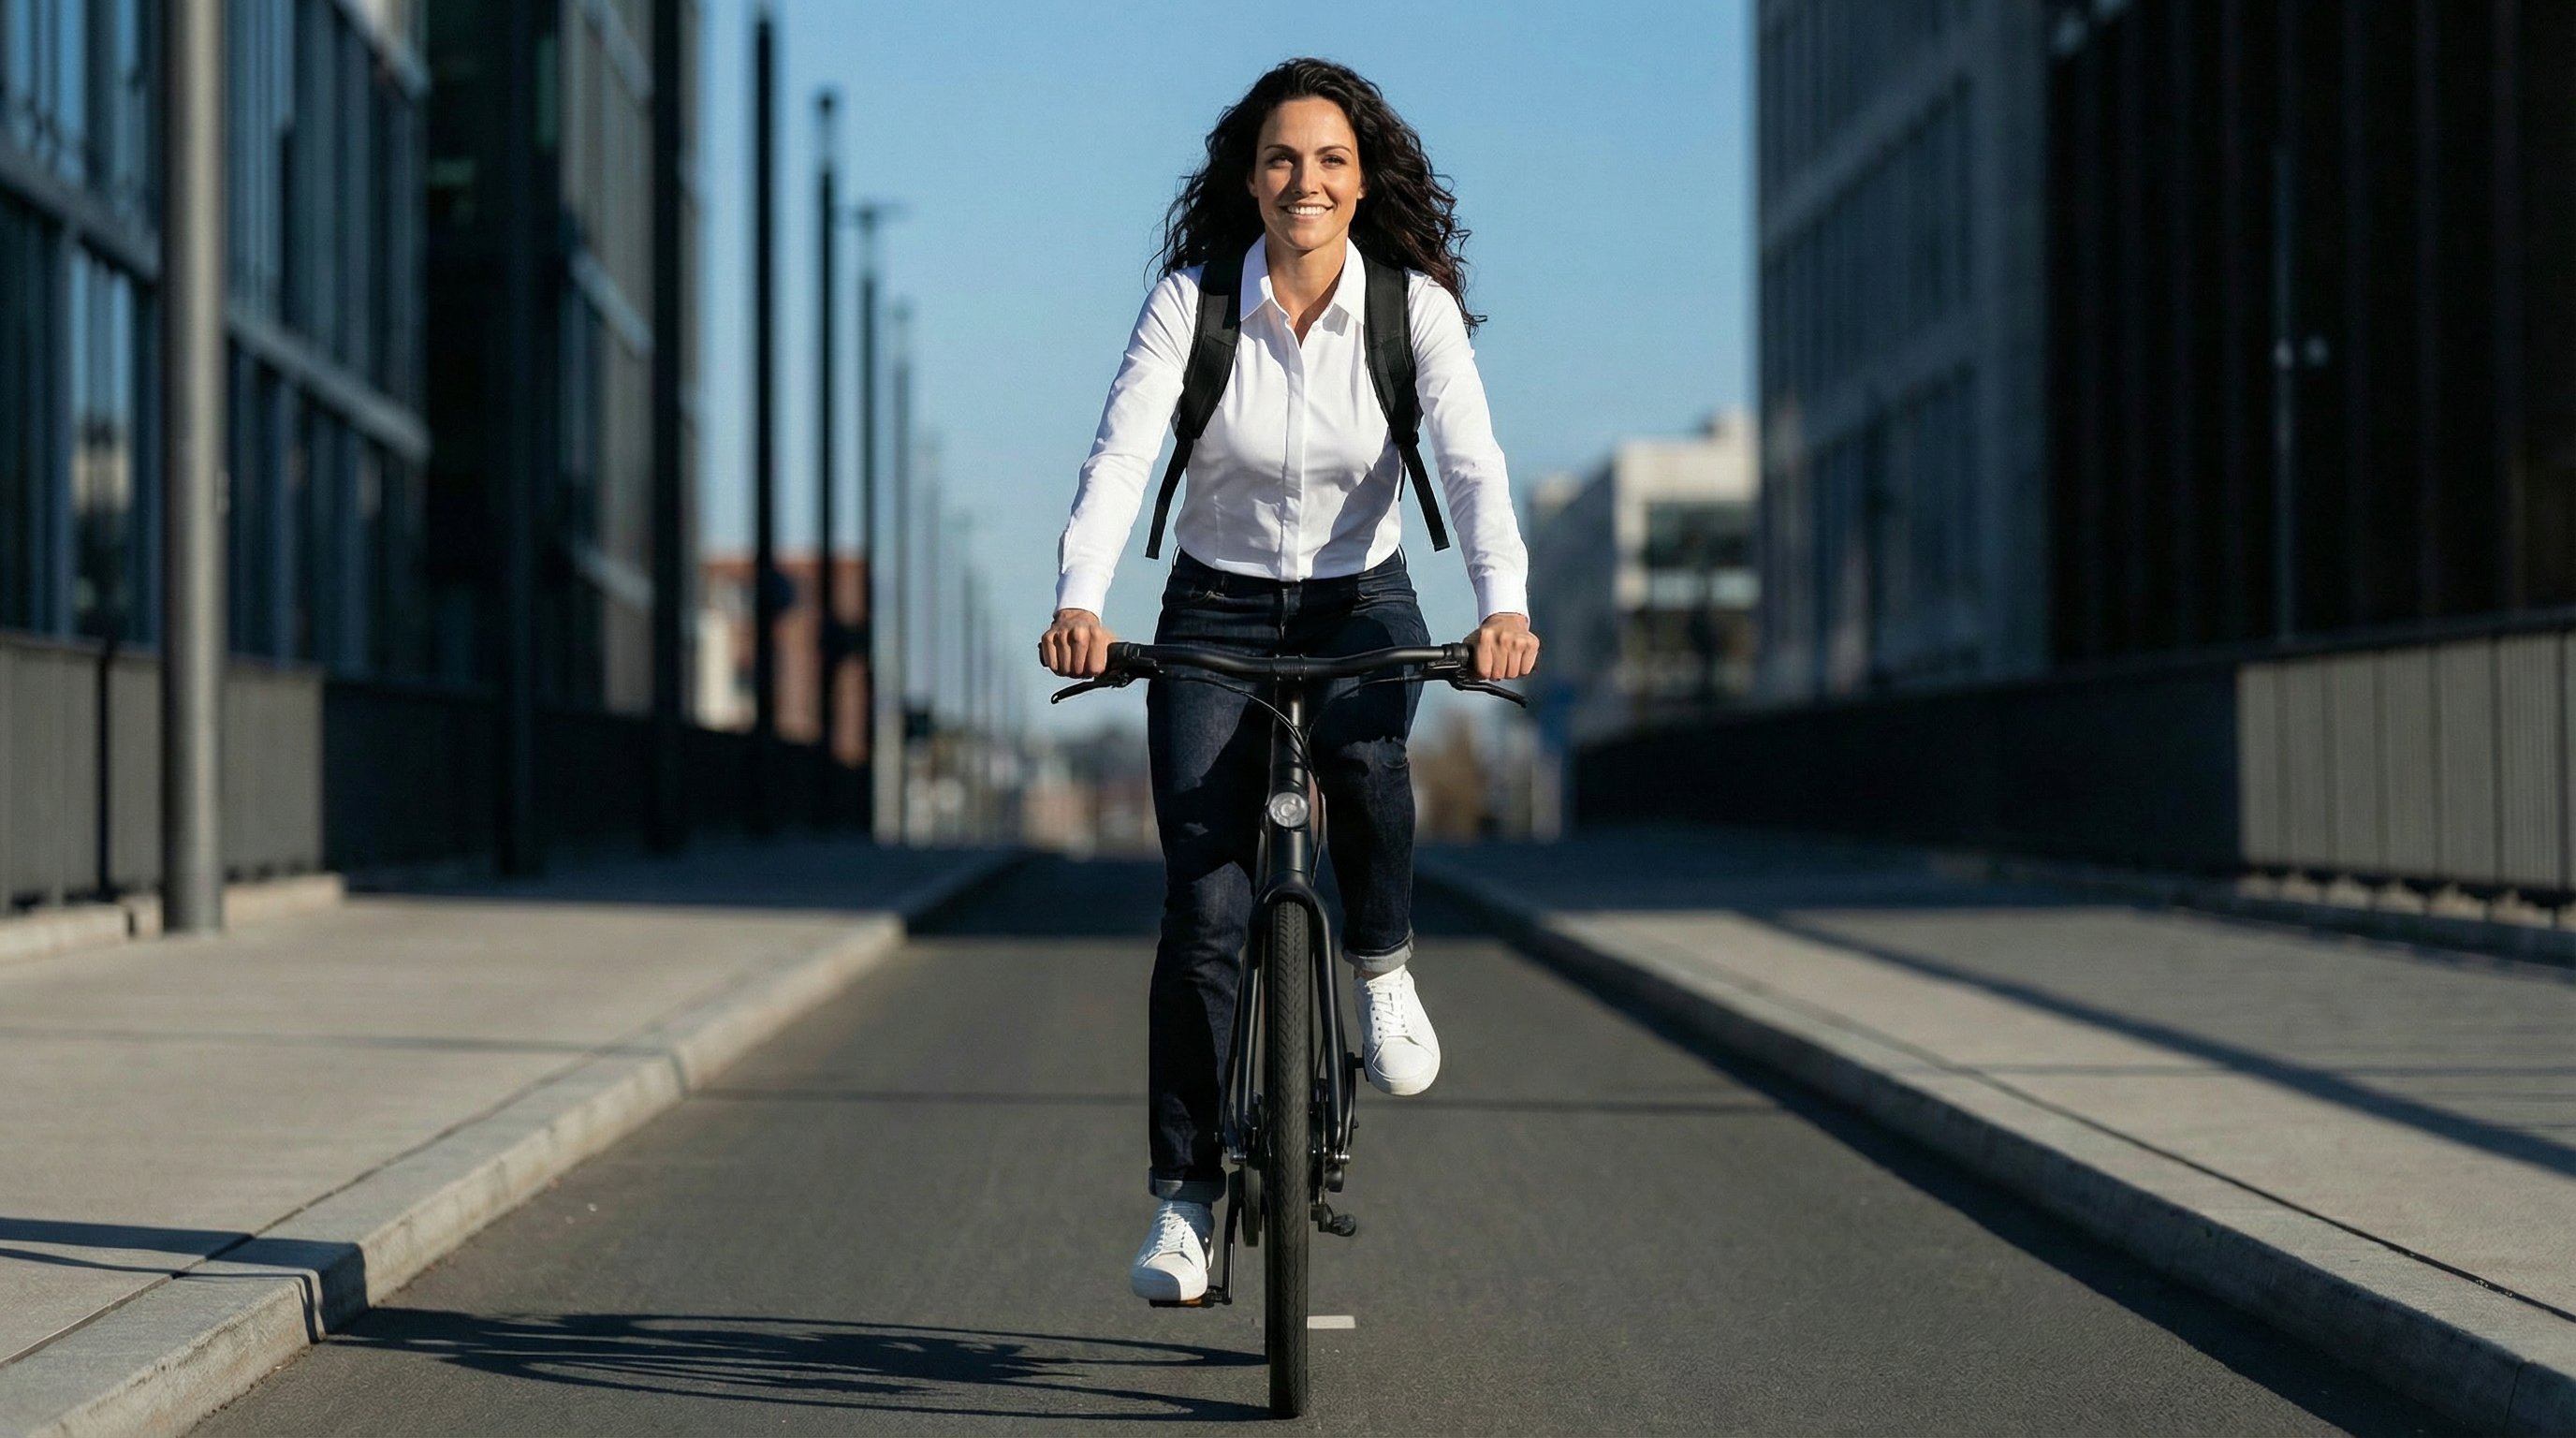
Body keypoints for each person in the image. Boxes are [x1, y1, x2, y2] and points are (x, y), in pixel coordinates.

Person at [1038, 57, 1540, 1304]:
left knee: (1369, 761)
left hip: (1361, 593)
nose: (1302, 181)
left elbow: (1472, 467)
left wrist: (1504, 607)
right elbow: (1119, 453)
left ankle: (1380, 969)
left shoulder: (1407, 307)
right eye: (1279, 159)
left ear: (1363, 182)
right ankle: (1186, 1203)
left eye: (1328, 160)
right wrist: (1080, 603)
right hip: (1213, 601)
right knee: (1205, 907)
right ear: (1248, 178)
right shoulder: (1192, 303)